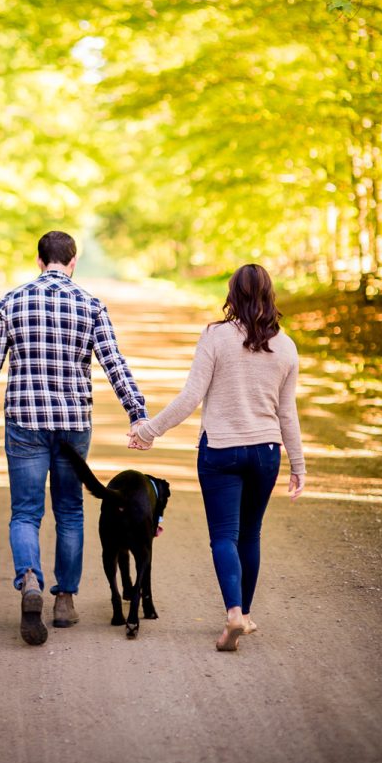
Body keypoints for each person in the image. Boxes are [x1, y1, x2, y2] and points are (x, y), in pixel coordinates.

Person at [0, 230, 148, 646]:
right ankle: (64, 600)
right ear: (73, 261)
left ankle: (30, 578)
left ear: (38, 259)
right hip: (72, 424)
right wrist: (137, 414)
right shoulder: (90, 305)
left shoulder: (11, 302)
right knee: (70, 511)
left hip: (25, 421)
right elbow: (114, 364)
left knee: (26, 512)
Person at [128, 263, 305, 651]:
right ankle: (244, 615)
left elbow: (191, 396)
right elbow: (287, 412)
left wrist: (147, 431)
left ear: (233, 295)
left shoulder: (215, 336)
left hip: (221, 451)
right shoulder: (286, 346)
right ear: (269, 296)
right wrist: (298, 464)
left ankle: (234, 613)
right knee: (251, 534)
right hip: (267, 453)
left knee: (224, 536)